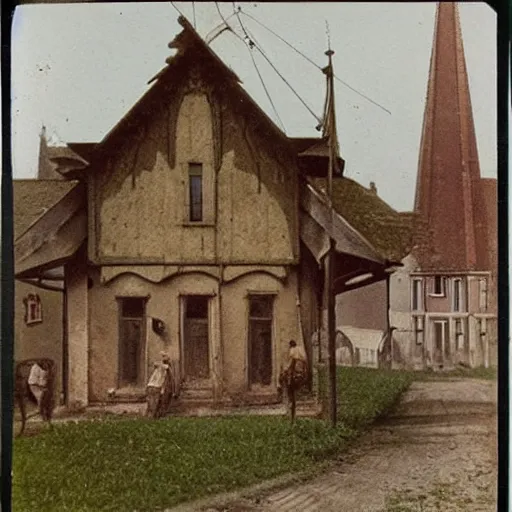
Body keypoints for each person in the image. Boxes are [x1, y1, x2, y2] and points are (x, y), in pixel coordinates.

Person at [278, 340, 308, 423]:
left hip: (293, 378)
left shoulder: (293, 353)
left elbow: (289, 366)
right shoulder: (301, 354)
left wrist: (284, 371)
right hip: (300, 377)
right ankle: (293, 415)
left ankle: (291, 416)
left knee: (291, 396)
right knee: (295, 397)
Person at [146, 352, 172, 418]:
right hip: (156, 386)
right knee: (155, 402)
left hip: (151, 385)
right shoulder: (164, 368)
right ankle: (153, 415)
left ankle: (152, 415)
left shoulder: (159, 366)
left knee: (152, 402)